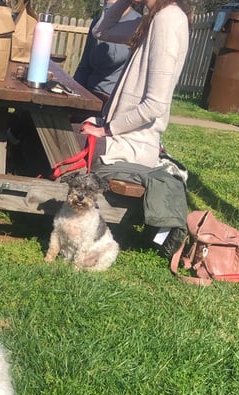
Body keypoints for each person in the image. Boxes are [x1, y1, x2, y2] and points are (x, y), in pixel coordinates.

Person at [80, 0, 191, 259]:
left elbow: (155, 105)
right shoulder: (153, 18)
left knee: (65, 137)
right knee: (61, 128)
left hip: (132, 144)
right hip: (122, 135)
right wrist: (124, 3)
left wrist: (107, 130)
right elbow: (101, 31)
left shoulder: (168, 19)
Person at [73, 0, 141, 106]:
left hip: (111, 98)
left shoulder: (136, 23)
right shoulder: (97, 22)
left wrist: (110, 7)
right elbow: (84, 66)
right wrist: (74, 92)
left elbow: (110, 58)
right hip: (88, 92)